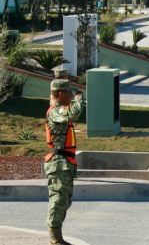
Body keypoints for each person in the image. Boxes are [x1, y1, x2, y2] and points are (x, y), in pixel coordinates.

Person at [45, 79, 85, 245]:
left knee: (65, 200)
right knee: (58, 200)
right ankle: (54, 238)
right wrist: (79, 99)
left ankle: (57, 236)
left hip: (65, 162)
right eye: (69, 92)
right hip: (58, 162)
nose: (71, 95)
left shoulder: (61, 109)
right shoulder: (55, 111)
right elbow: (74, 113)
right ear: (60, 93)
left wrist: (77, 99)